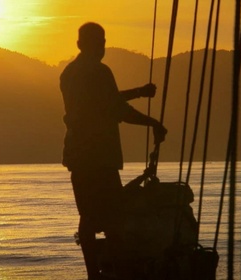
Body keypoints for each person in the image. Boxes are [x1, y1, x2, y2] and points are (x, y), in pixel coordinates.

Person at [59, 22, 167, 279]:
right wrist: (153, 123)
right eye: (100, 42)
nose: (103, 47)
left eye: (103, 42)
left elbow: (101, 100)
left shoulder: (69, 74)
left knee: (87, 217)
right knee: (114, 220)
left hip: (78, 155)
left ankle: (92, 274)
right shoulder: (100, 72)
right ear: (86, 45)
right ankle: (118, 270)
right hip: (100, 157)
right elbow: (115, 108)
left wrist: (139, 92)